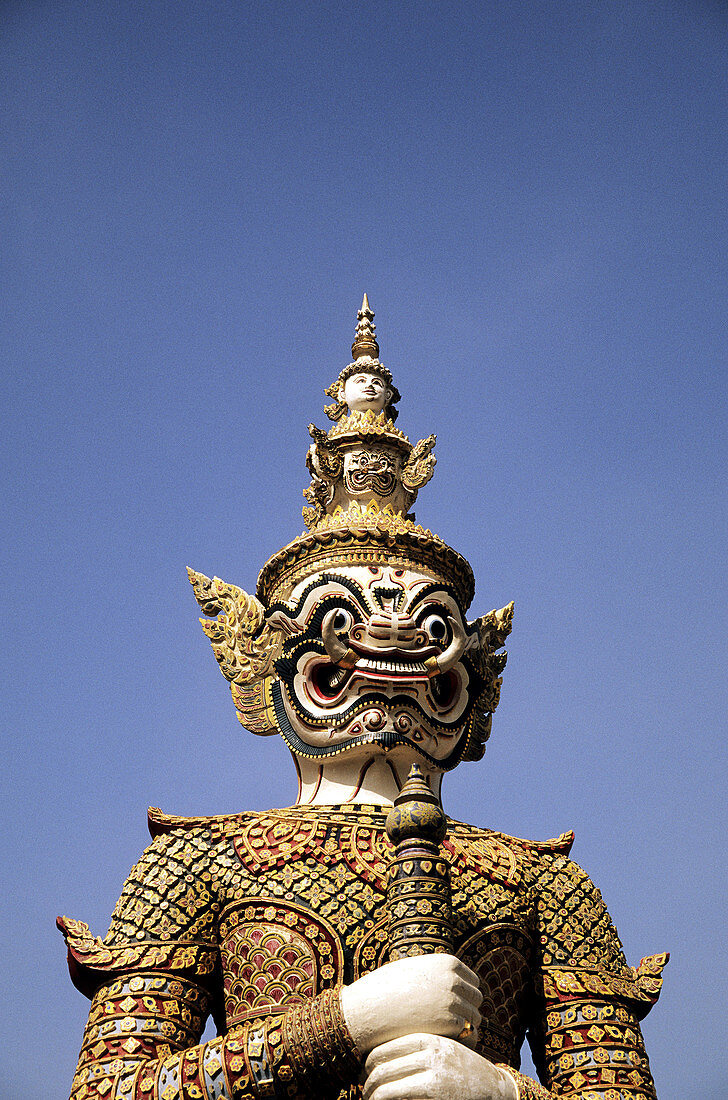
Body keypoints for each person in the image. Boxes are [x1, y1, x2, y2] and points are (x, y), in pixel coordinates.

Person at [59, 302, 666, 1100]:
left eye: (429, 627)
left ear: (471, 683)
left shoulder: (543, 884)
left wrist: (498, 1091)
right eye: (341, 621)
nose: (389, 644)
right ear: (264, 663)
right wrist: (346, 1020)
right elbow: (107, 1092)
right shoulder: (195, 865)